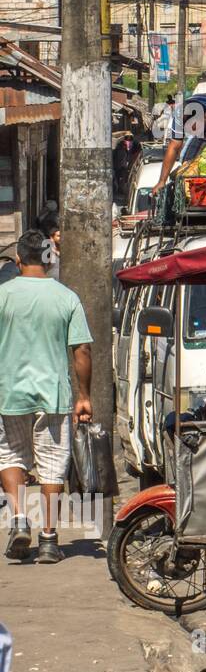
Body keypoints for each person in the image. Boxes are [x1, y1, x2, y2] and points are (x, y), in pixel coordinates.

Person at [1, 230, 93, 564]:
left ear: (17, 261)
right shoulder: (66, 297)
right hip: (53, 393)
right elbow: (81, 349)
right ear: (48, 257)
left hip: (8, 392)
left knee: (10, 455)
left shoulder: (3, 295)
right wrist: (84, 394)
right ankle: (50, 540)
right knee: (53, 464)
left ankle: (18, 519)